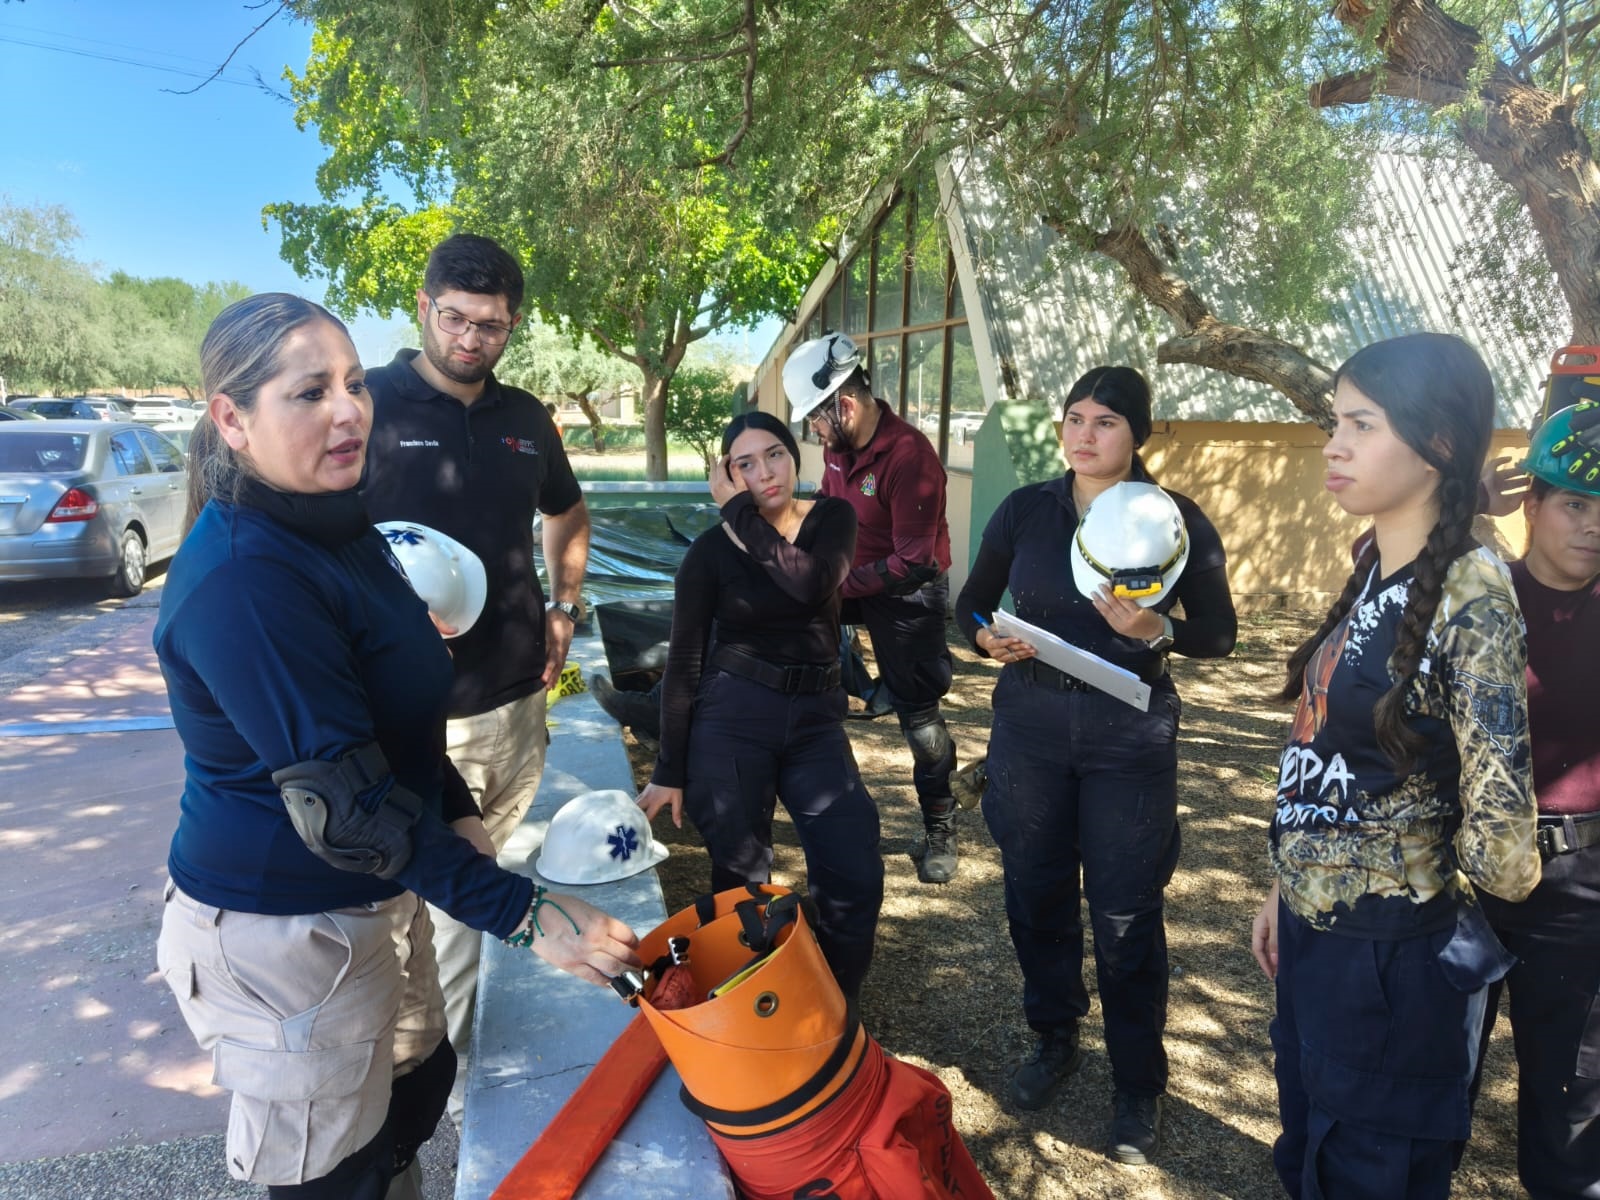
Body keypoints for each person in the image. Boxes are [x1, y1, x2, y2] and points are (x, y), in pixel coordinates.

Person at [154, 293, 639, 1200]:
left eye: (351, 382)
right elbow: (346, 807)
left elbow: (401, 712)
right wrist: (531, 917)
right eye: (309, 394)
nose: (348, 410)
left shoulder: (341, 522)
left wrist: (457, 809)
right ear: (232, 419)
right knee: (332, 1174)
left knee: (417, 1092)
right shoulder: (248, 579)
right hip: (287, 927)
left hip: (383, 889)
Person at [1249, 332, 1542, 1200]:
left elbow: (1505, 845)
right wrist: (1287, 882)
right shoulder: (1380, 565)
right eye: (1334, 422)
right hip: (1318, 937)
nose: (1333, 445)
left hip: (1393, 961)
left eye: (1361, 424)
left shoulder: (1472, 594)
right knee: (1308, 1153)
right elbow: (1326, 757)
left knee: (1369, 1173)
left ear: (1439, 444)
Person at [954, 364, 1236, 1164]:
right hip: (1032, 730)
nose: (1084, 434)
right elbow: (969, 602)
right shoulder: (1027, 511)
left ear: (1137, 434)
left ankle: (1138, 1082)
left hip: (1128, 738)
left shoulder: (1176, 518)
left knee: (1125, 913)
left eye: (1105, 421)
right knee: (1035, 890)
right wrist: (982, 636)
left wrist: (1160, 633)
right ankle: (1053, 1036)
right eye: (1074, 418)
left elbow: (1220, 633)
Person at [360, 234, 591, 1117]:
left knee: (470, 888)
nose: (469, 338)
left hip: (509, 703)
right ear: (423, 307)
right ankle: (396, 1065)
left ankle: (440, 1073)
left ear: (513, 325)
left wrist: (565, 607)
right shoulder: (369, 402)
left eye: (489, 325)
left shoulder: (527, 420)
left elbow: (567, 513)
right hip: (400, 716)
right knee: (391, 899)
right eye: (453, 317)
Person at [636, 412, 883, 999]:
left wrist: (737, 512)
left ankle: (833, 996)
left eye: (774, 455)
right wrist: (669, 769)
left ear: (795, 456)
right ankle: (750, 1004)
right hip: (734, 716)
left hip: (816, 717)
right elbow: (684, 664)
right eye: (744, 464)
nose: (765, 473)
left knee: (853, 861)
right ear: (726, 473)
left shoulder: (833, 518)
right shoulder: (708, 555)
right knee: (743, 876)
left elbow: (809, 583)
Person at [1469, 403, 1600, 1199]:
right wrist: (1462, 502)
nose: (1593, 527)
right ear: (1532, 504)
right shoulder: (1476, 593)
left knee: (1572, 1099)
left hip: (1581, 884)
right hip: (1467, 878)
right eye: (1577, 504)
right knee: (1436, 1074)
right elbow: (1381, 572)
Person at [784, 333, 962, 884]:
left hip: (909, 590)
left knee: (922, 725)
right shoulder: (839, 451)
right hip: (856, 582)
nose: (813, 432)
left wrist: (832, 585)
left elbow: (914, 561)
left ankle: (940, 828)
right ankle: (864, 685)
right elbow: (834, 517)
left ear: (845, 405)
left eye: (815, 418)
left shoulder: (911, 457)